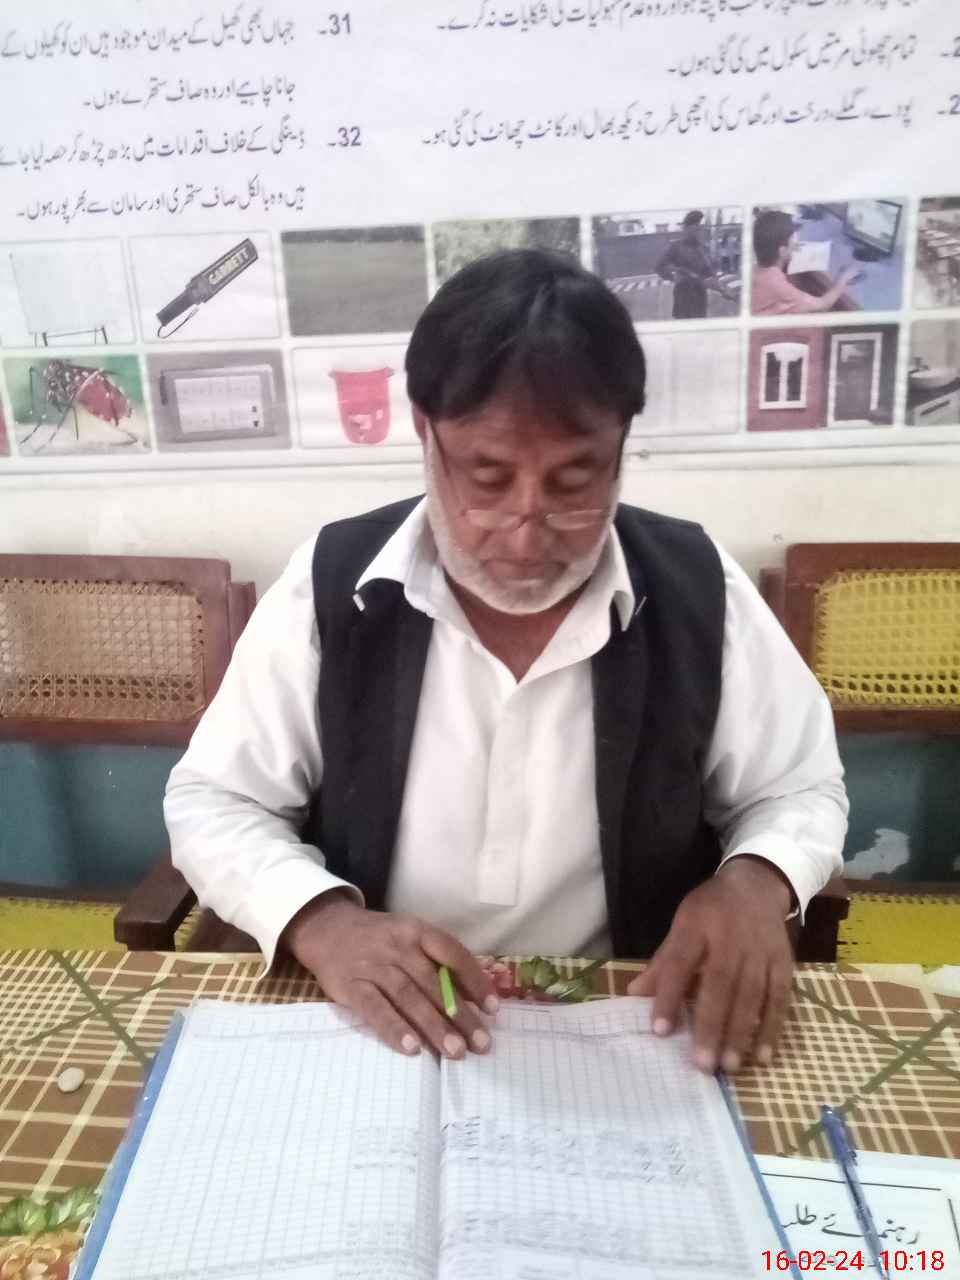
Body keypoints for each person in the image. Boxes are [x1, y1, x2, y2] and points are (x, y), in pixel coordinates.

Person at [165, 249, 847, 1075]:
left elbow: (799, 787)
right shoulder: (335, 585)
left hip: (625, 1020)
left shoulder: (697, 588)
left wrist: (756, 880)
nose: (527, 532)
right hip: (379, 1021)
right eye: (486, 479)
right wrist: (321, 921)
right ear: (424, 432)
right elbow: (215, 798)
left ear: (621, 445)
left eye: (575, 480)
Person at [752, 209, 861, 315]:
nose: (796, 243)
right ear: (782, 251)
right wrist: (843, 279)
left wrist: (792, 249)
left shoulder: (757, 269)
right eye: (793, 240)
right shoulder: (778, 285)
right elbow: (822, 305)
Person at [655, 210, 733, 319]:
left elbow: (710, 276)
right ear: (686, 229)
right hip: (683, 299)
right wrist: (672, 277)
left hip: (699, 300)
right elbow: (659, 267)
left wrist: (722, 290)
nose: (697, 231)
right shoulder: (676, 247)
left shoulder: (703, 249)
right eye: (693, 228)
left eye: (698, 228)